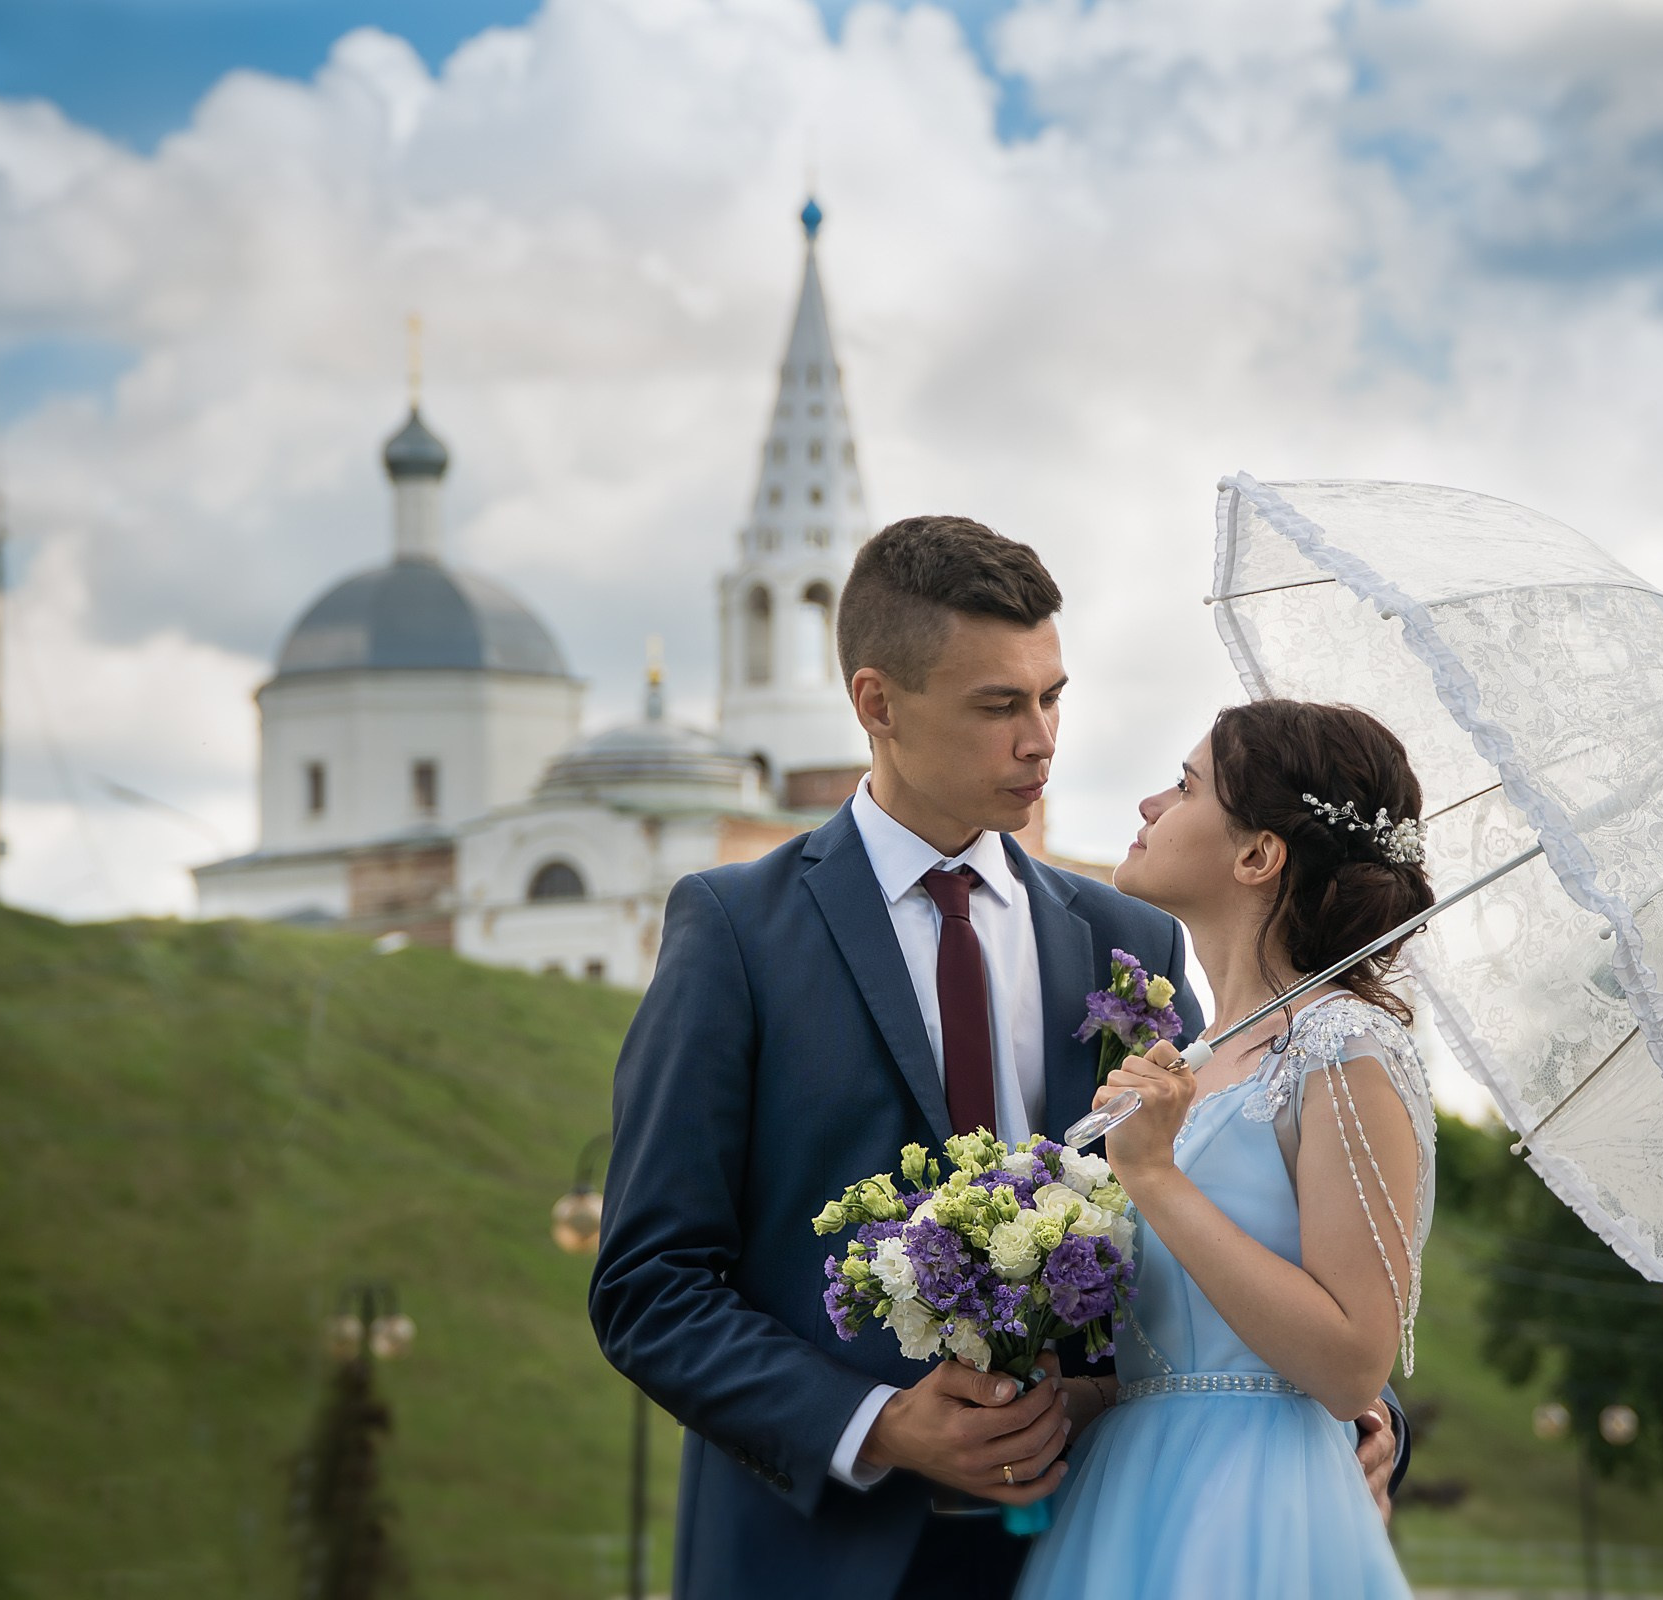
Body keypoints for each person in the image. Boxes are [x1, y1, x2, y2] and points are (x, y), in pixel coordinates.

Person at [589, 517, 1405, 1600]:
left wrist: (1343, 1406)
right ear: (877, 703)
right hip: (819, 1554)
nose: (1042, 740)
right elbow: (651, 1283)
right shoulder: (735, 928)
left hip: (1101, 1536)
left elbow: (1213, 1205)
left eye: (1052, 695)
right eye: (997, 705)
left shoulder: (1136, 938)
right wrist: (876, 1423)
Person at [1016, 699, 1437, 1599]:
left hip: (1258, 1506)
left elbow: (1351, 1360)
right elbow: (1181, 1344)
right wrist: (1070, 1395)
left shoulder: (1347, 1046)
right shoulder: (1193, 1059)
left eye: (1184, 786)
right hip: (1127, 1487)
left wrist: (1155, 1176)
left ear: (1257, 854)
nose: (1149, 806)